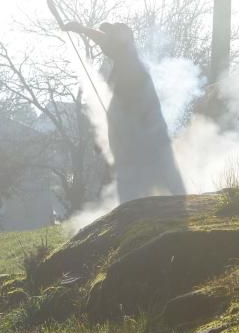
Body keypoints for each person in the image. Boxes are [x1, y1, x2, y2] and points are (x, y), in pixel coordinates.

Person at [62, 21, 185, 202]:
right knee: (140, 178)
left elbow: (127, 108)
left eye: (110, 36)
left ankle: (180, 206)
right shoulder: (123, 65)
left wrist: (81, 29)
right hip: (139, 138)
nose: (105, 41)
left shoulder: (130, 62)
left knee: (160, 174)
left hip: (148, 134)